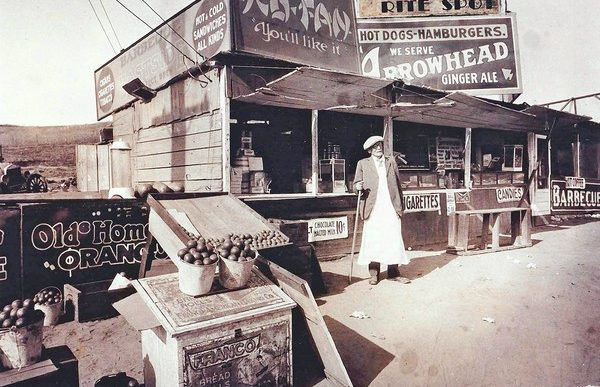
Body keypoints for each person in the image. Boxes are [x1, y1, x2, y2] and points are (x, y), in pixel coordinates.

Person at [353, 135, 410, 285]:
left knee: (392, 239)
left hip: (390, 207)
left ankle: (393, 272)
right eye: (375, 146)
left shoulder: (390, 162)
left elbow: (398, 185)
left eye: (380, 145)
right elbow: (355, 185)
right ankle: (374, 274)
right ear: (369, 150)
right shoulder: (362, 164)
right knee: (374, 240)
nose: (379, 148)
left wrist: (400, 206)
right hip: (373, 208)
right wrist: (357, 187)